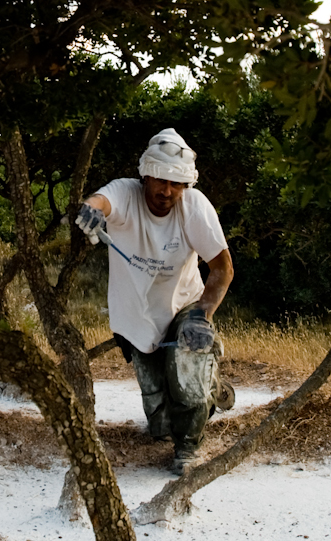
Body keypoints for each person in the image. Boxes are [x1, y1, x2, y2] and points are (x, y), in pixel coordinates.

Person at [75, 127, 235, 473]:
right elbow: (102, 201)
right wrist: (91, 211)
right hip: (136, 314)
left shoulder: (194, 208)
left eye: (177, 184)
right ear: (145, 175)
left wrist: (202, 315)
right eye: (160, 180)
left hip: (185, 306)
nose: (167, 191)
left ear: (186, 186)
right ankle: (208, 389)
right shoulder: (125, 193)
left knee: (187, 387)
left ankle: (189, 447)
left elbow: (222, 269)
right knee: (160, 423)